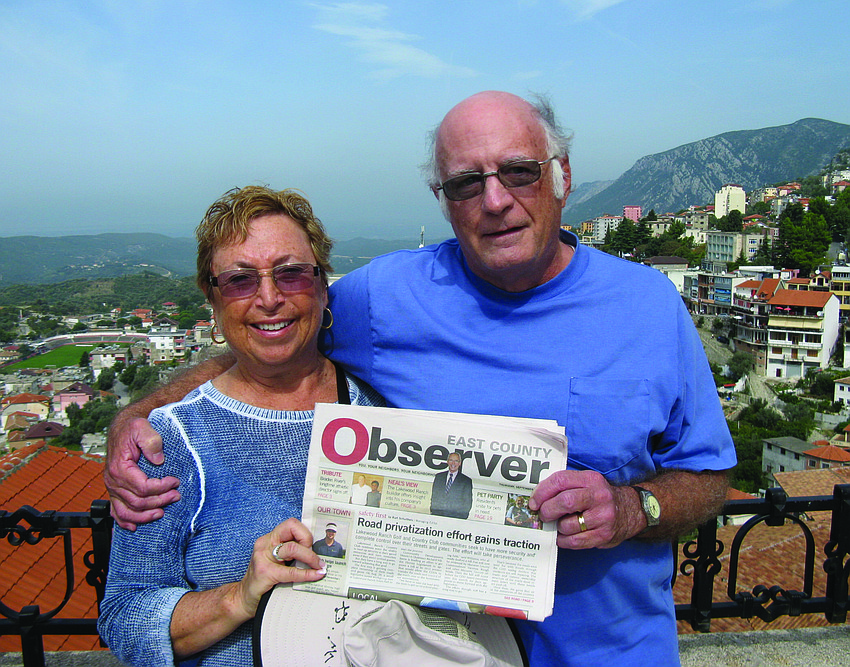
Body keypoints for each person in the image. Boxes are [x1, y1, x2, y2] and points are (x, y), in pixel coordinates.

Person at [105, 92, 736, 666]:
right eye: (465, 183)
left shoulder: (648, 305)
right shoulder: (388, 296)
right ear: (443, 199)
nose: (495, 200)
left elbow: (708, 479)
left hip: (612, 654)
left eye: (519, 171)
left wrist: (634, 506)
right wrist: (137, 416)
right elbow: (275, 330)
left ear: (562, 176)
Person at [97, 186, 383, 666]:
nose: (269, 298)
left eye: (291, 274)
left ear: (322, 285)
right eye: (240, 281)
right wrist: (240, 597)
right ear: (213, 300)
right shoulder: (173, 439)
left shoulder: (381, 410)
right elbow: (125, 618)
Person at [429, 451, 474, 519]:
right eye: (451, 460)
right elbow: (434, 497)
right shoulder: (439, 477)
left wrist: (460, 519)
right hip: (437, 517)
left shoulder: (466, 481)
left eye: (456, 461)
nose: (453, 463)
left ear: (459, 463)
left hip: (455, 519)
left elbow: (467, 503)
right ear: (447, 461)